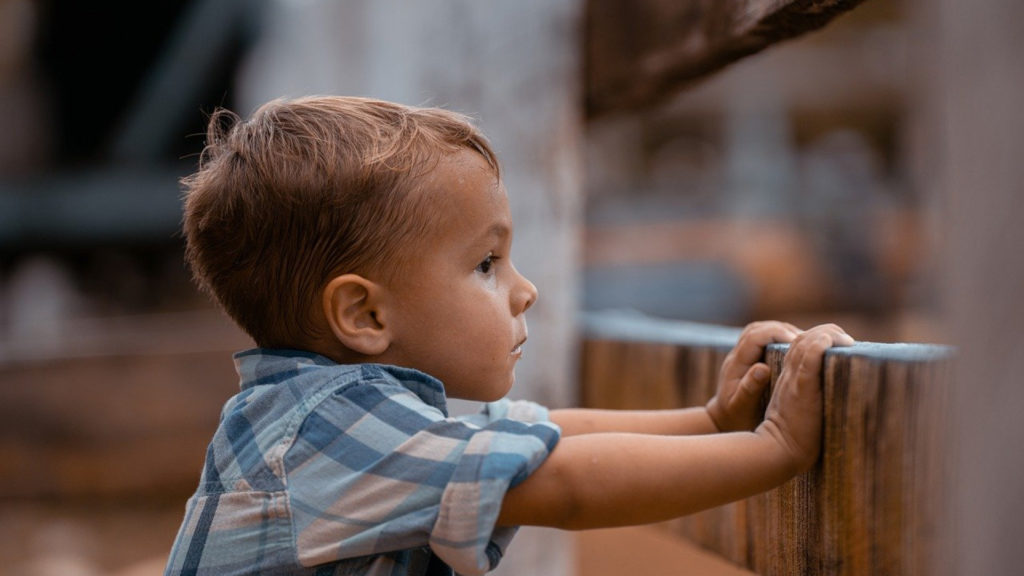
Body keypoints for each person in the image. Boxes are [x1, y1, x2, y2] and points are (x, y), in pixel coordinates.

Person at [164, 95, 855, 576]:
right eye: (486, 264)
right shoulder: (328, 432)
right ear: (365, 317)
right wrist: (775, 451)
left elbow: (550, 435)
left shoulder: (349, 412)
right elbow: (566, 485)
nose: (525, 290)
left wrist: (710, 423)